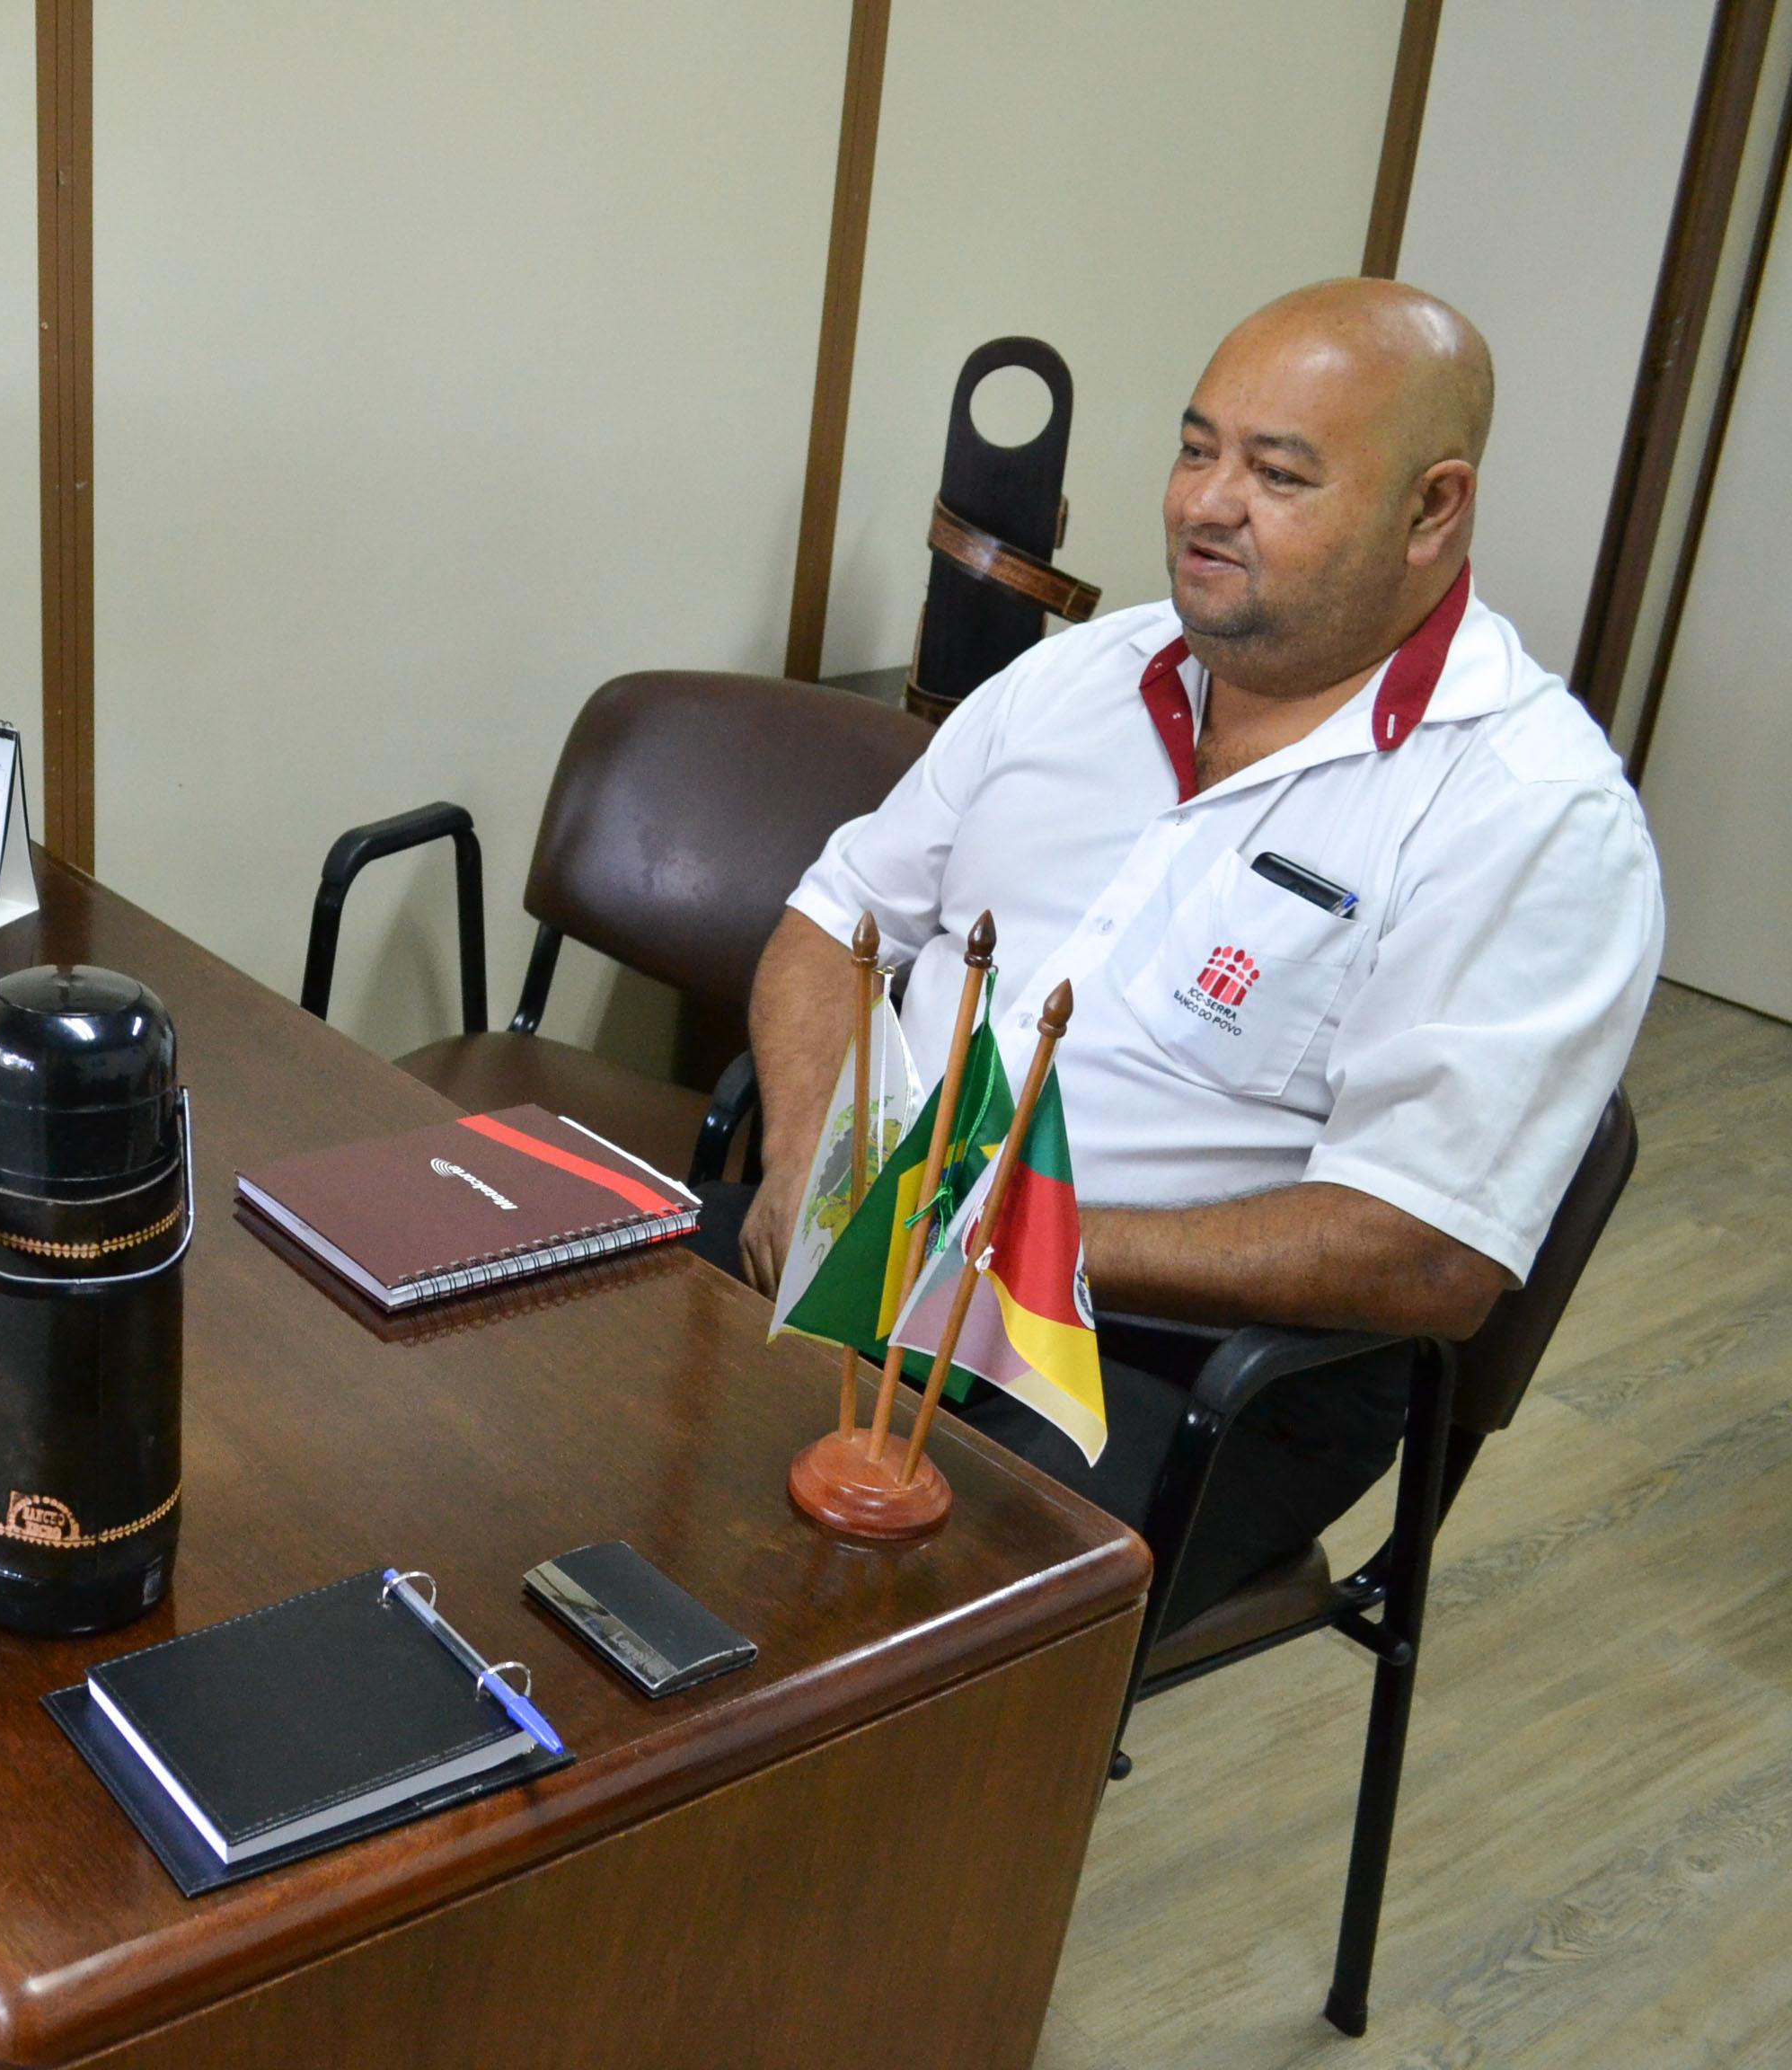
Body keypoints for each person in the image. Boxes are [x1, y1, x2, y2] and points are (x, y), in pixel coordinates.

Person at [710, 280, 1662, 1621]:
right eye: (1196, 447)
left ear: (1433, 511)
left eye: (1277, 473)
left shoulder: (1529, 816)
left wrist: (1007, 1242)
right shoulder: (1085, 673)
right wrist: (813, 1152)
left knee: (844, 1638)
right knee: (581, 1406)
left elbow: (1426, 1253)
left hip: (1167, 1363)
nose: (1207, 502)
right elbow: (835, 918)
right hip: (874, 1234)